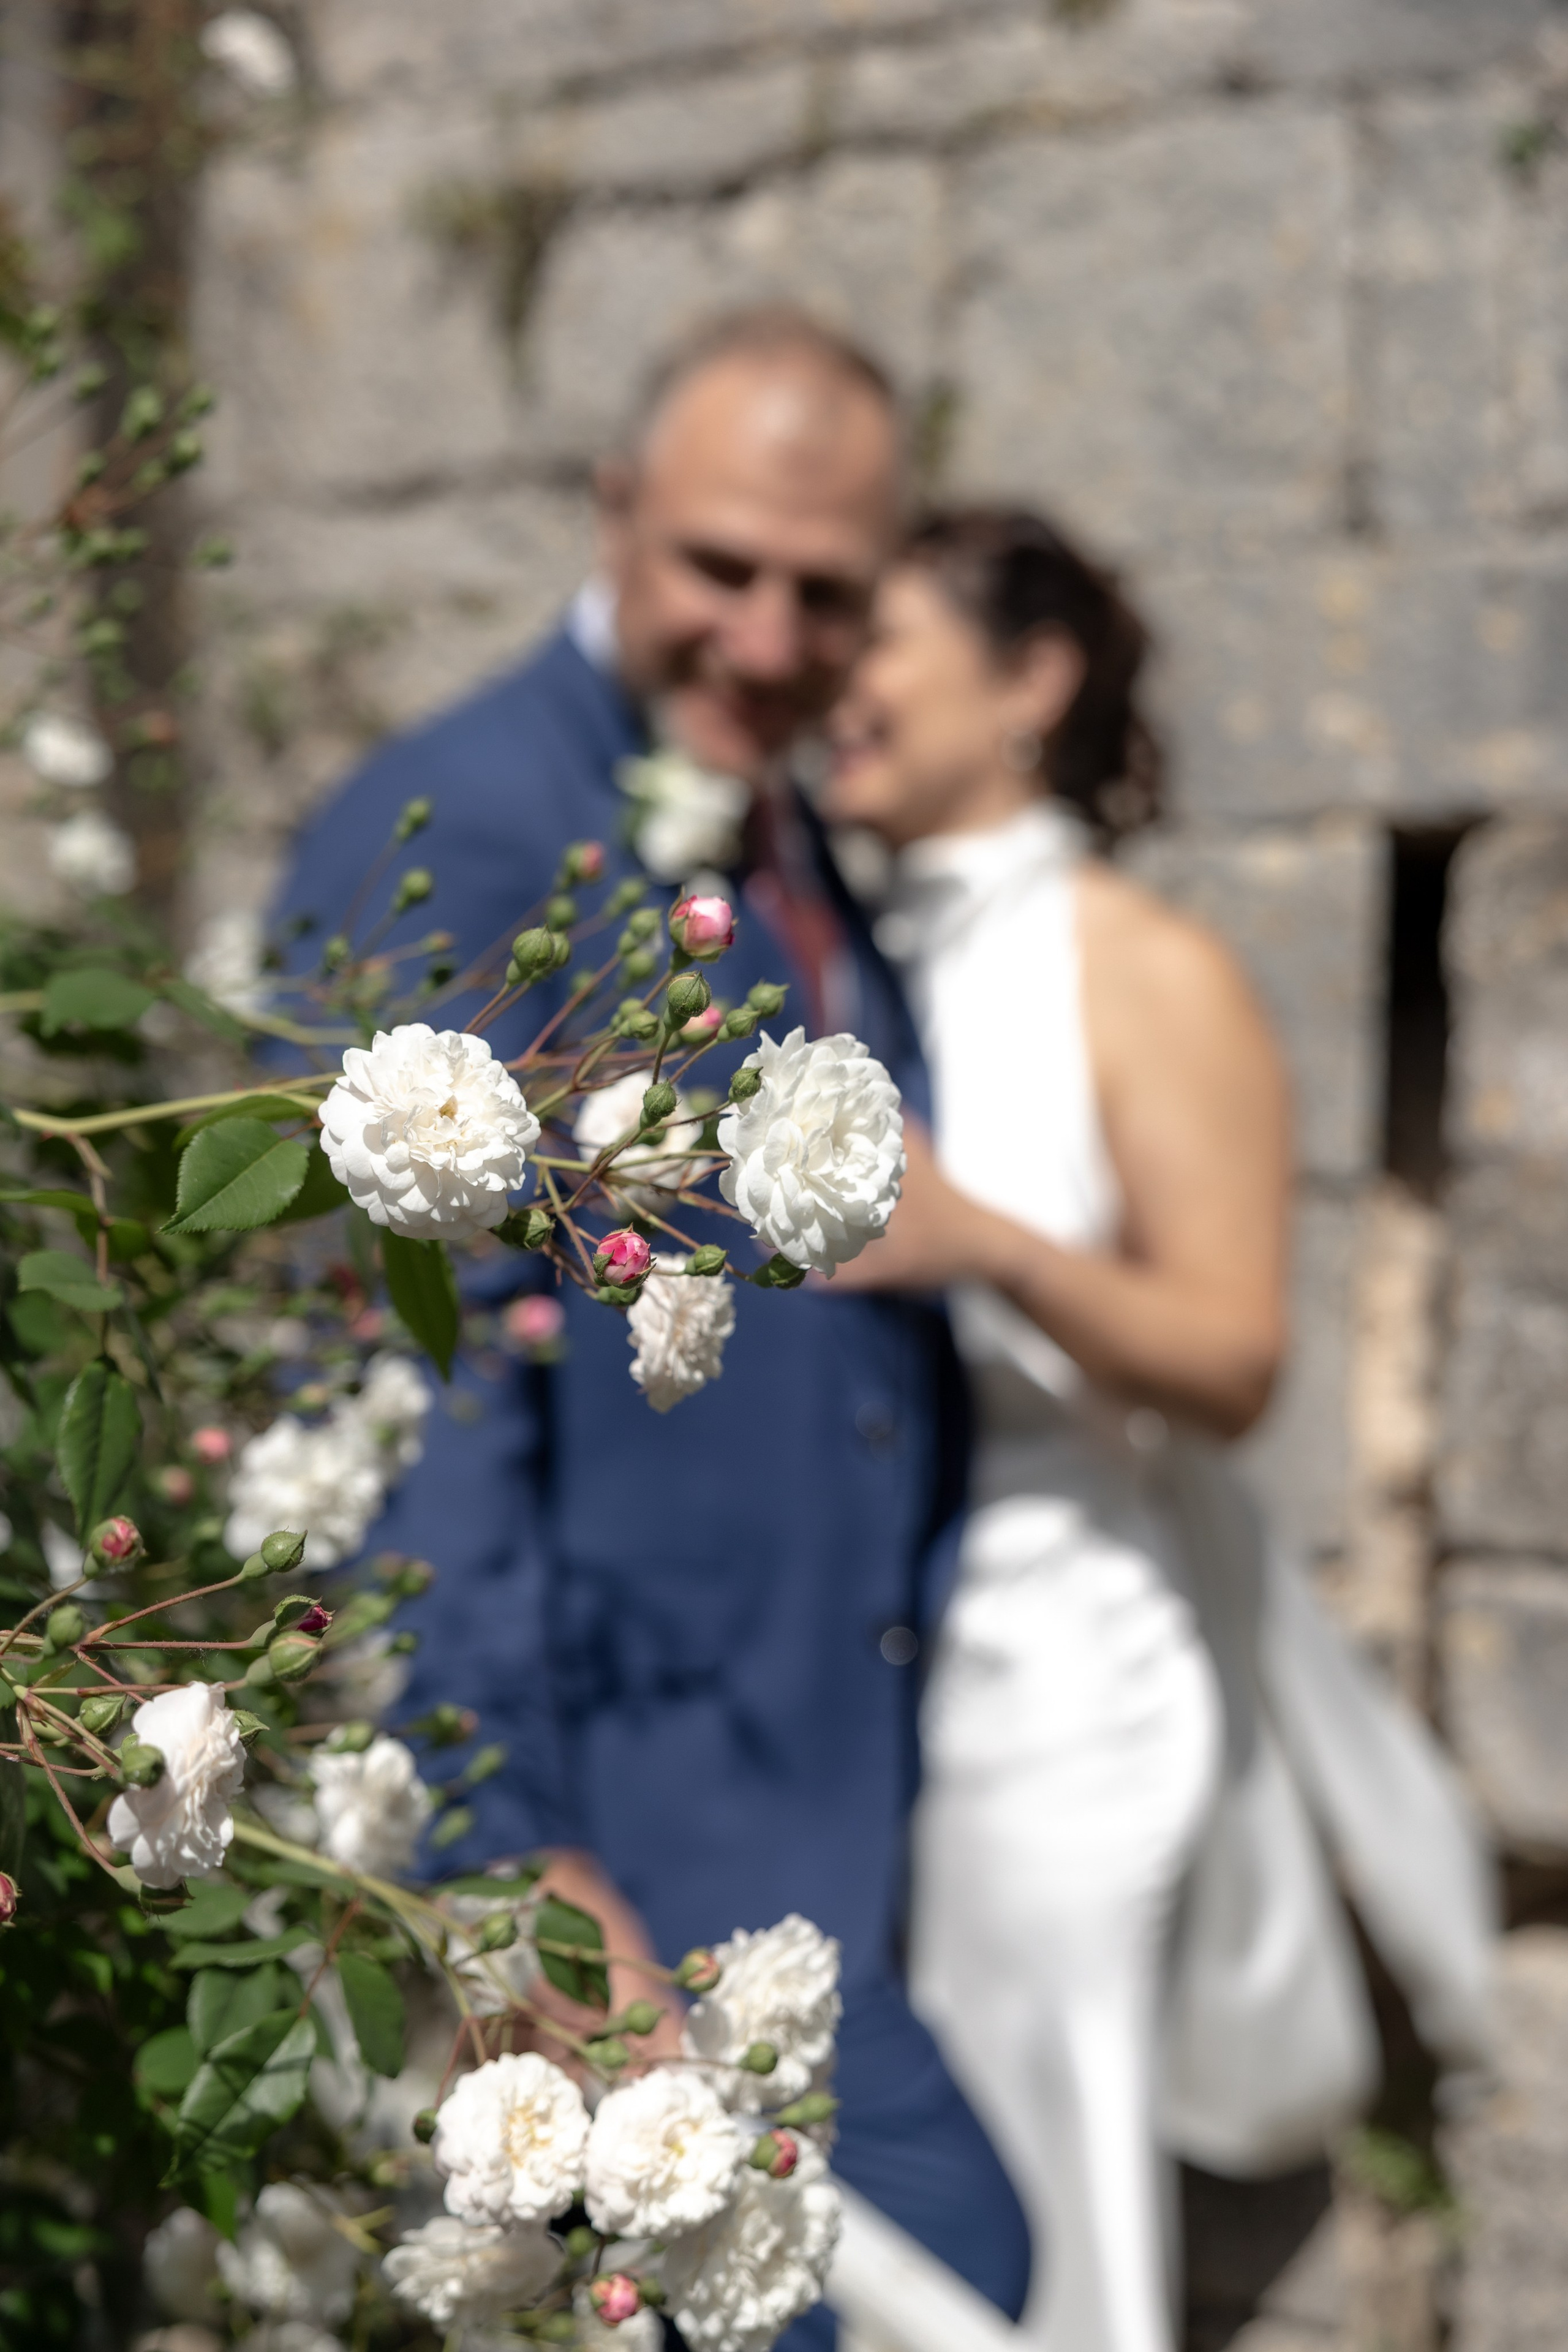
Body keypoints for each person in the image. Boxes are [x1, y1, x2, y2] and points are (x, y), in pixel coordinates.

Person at [270, 318, 1031, 2345]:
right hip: (622, 1830)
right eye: (720, 565)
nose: (770, 636)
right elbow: (398, 1389)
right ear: (615, 517)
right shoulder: (461, 828)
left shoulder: (804, 857)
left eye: (829, 592)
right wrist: (512, 1868)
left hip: (830, 1814)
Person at [824, 507, 1496, 2352]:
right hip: (852, 1684)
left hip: (1058, 1683)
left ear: (1028, 681)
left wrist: (986, 1246)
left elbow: (1234, 1354)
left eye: (875, 635)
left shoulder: (1140, 968)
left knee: (1048, 2231)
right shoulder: (829, 940)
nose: (833, 682)